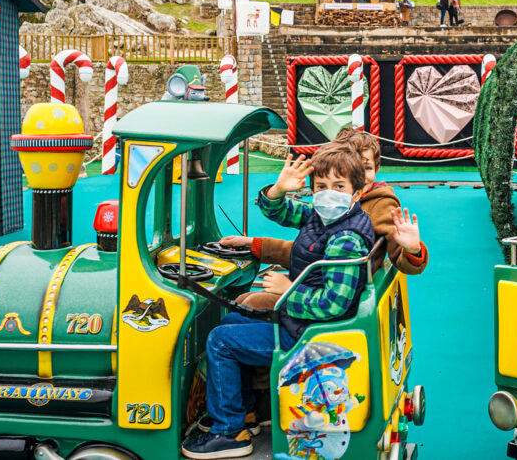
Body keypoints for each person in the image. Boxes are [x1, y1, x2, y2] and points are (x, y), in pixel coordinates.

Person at [182, 146, 376, 459]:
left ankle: (229, 432)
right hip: (303, 322)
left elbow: (334, 304)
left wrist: (289, 290)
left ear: (357, 192)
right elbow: (281, 211)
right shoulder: (324, 218)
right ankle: (244, 412)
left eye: (339, 186)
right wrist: (278, 189)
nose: (328, 194)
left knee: (220, 341)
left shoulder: (346, 238)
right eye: (321, 186)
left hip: (312, 333)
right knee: (231, 321)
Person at [228, 129, 428, 311]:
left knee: (250, 305)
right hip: (317, 280)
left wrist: (413, 250)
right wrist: (277, 193)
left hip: (336, 291)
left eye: (366, 168)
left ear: (376, 169)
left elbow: (401, 260)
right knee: (244, 300)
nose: (358, 175)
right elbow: (301, 233)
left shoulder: (379, 206)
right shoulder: (331, 203)